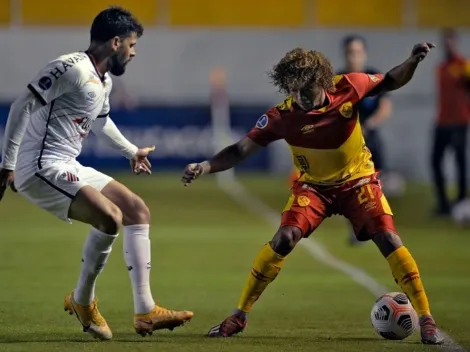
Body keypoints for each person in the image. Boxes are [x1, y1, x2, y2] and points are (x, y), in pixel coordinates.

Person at [182, 44, 443, 345]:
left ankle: (426, 318)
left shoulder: (349, 86)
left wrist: (412, 60)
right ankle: (239, 315)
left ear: (322, 80)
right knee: (284, 238)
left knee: (388, 237)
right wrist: (203, 166)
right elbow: (240, 150)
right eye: (294, 90)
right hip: (313, 188)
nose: (300, 97)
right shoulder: (282, 116)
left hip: (358, 181)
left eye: (306, 89)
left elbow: (391, 80)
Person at [0, 6, 193, 340]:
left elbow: (101, 121)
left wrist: (132, 151)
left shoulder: (103, 80)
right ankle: (82, 300)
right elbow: (21, 107)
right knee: (110, 217)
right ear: (116, 42)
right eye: (132, 46)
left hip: (67, 164)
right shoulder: (70, 68)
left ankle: (145, 310)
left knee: (136, 210)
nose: (133, 53)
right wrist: (8, 165)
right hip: (40, 166)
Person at [339, 35, 393, 245]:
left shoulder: (374, 77)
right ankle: (357, 229)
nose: (354, 57)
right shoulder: (338, 79)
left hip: (370, 140)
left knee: (376, 186)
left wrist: (369, 125)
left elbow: (385, 106)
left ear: (364, 53)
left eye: (358, 52)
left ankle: (381, 227)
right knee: (348, 187)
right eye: (350, 52)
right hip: (346, 144)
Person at [431, 28, 470, 216]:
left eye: (451, 42)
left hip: (459, 121)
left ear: (456, 43)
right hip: (442, 122)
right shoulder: (441, 68)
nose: (448, 46)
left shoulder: (464, 66)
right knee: (436, 161)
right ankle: (443, 204)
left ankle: (461, 201)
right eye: (445, 42)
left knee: (459, 162)